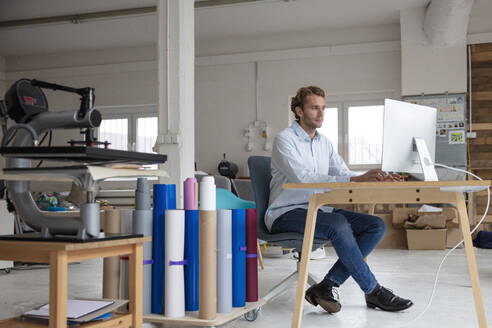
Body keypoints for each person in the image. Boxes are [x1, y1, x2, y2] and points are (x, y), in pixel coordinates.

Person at [265, 86, 413, 313]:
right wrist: (356, 178)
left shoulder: (324, 142)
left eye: (323, 108)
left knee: (376, 226)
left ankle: (327, 285)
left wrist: (370, 178)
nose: (321, 113)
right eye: (315, 107)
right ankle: (373, 291)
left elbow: (343, 173)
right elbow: (303, 178)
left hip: (317, 210)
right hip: (285, 212)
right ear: (299, 111)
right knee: (339, 225)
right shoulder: (284, 140)